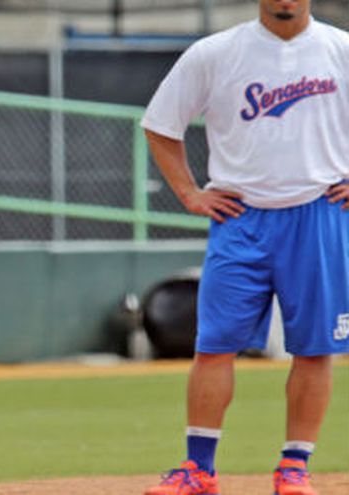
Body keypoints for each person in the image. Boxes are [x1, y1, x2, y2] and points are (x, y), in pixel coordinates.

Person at [141, 1, 348, 494]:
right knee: (214, 345)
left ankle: (294, 467)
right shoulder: (216, 52)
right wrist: (190, 193)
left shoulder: (340, 49)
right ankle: (198, 469)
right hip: (240, 215)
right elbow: (160, 123)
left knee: (315, 348)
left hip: (319, 211)